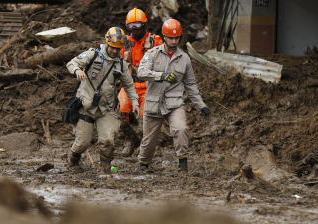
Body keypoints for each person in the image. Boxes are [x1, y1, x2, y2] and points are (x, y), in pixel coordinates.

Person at [137, 19, 211, 172]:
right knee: (149, 138)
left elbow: (191, 85)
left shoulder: (184, 59)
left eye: (176, 38)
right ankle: (143, 164)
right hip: (154, 102)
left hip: (174, 103)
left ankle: (183, 163)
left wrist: (201, 106)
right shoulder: (152, 54)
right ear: (164, 37)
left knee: (181, 129)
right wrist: (161, 75)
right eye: (170, 37)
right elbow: (141, 73)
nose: (174, 40)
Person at [66, 27, 140, 173]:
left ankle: (105, 168)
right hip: (86, 106)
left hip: (106, 107)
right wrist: (77, 70)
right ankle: (73, 161)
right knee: (82, 142)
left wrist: (135, 102)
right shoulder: (93, 54)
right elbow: (71, 63)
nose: (115, 51)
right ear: (107, 43)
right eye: (113, 47)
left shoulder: (121, 64)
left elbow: (129, 85)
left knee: (107, 140)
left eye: (118, 48)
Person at [118, 8, 163, 157]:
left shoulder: (155, 41)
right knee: (118, 115)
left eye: (137, 25)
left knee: (146, 122)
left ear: (144, 25)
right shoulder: (124, 42)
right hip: (129, 85)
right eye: (131, 26)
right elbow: (117, 64)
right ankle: (132, 140)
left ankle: (147, 151)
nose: (134, 29)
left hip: (148, 86)